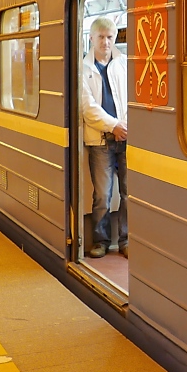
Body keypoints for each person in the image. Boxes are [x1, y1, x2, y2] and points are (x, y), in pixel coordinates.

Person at [81, 16, 128, 258]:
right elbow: (88, 109)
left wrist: (125, 126)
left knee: (129, 192)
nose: (106, 42)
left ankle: (126, 240)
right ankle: (100, 241)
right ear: (91, 38)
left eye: (110, 37)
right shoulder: (83, 69)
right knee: (102, 195)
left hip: (126, 138)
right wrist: (114, 126)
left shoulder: (124, 64)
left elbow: (131, 98)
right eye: (101, 37)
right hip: (101, 141)